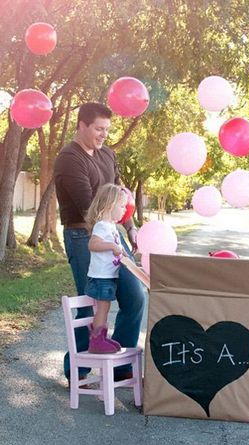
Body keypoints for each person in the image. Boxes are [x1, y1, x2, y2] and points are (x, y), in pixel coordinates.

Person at [54, 102, 146, 381]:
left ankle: (119, 366)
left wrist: (129, 228)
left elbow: (121, 198)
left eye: (106, 129)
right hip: (84, 235)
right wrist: (109, 234)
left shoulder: (107, 154)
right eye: (98, 129)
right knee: (88, 301)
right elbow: (90, 207)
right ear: (82, 126)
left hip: (114, 234)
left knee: (135, 296)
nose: (103, 134)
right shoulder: (69, 158)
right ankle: (78, 367)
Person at [85, 184, 128, 353]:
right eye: (122, 206)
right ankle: (96, 341)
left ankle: (102, 338)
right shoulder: (102, 225)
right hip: (101, 277)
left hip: (108, 276)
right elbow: (93, 244)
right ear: (110, 205)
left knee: (106, 307)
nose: (125, 210)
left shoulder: (111, 227)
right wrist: (111, 246)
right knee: (103, 308)